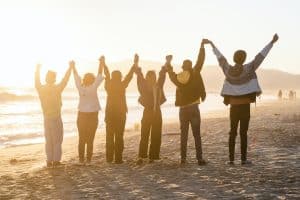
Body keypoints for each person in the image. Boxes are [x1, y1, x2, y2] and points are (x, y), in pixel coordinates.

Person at [207, 34, 279, 165]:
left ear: (234, 58)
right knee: (243, 133)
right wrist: (271, 42)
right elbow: (261, 56)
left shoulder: (228, 70)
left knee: (232, 132)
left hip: (233, 107)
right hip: (245, 106)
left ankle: (231, 159)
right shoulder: (249, 68)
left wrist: (212, 45)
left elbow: (220, 58)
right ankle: (244, 159)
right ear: (244, 58)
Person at [166, 39, 208, 165]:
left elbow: (170, 74)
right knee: (197, 135)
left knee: (183, 135)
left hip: (183, 109)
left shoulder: (178, 77)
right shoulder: (195, 72)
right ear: (190, 66)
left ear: (183, 67)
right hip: (194, 108)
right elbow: (200, 60)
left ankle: (183, 159)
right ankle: (199, 159)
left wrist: (168, 62)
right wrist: (201, 47)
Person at [35, 62, 72, 167]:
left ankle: (49, 160)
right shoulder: (57, 88)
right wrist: (70, 68)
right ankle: (56, 161)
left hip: (46, 118)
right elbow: (65, 80)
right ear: (54, 79)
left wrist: (37, 69)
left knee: (49, 140)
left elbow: (36, 81)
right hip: (56, 117)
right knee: (57, 140)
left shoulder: (41, 89)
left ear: (46, 78)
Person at [135, 54, 168, 164]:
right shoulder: (156, 85)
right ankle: (151, 156)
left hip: (149, 112)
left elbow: (140, 76)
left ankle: (144, 156)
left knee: (146, 134)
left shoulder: (146, 86)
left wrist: (136, 63)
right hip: (155, 112)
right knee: (154, 134)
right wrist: (166, 63)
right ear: (153, 77)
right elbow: (162, 76)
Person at [103, 56, 136, 164]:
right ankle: (118, 159)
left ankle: (109, 158)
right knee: (119, 136)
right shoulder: (122, 85)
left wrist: (104, 63)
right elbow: (129, 76)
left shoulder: (108, 85)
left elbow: (106, 74)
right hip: (121, 113)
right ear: (120, 77)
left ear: (113, 77)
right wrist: (134, 63)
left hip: (109, 113)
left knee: (109, 136)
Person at [72, 60, 104, 164]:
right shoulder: (91, 87)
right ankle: (88, 160)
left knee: (83, 138)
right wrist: (101, 63)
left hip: (82, 115)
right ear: (92, 79)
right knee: (89, 138)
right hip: (91, 115)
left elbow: (76, 77)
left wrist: (73, 67)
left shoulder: (81, 87)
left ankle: (82, 160)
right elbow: (99, 75)